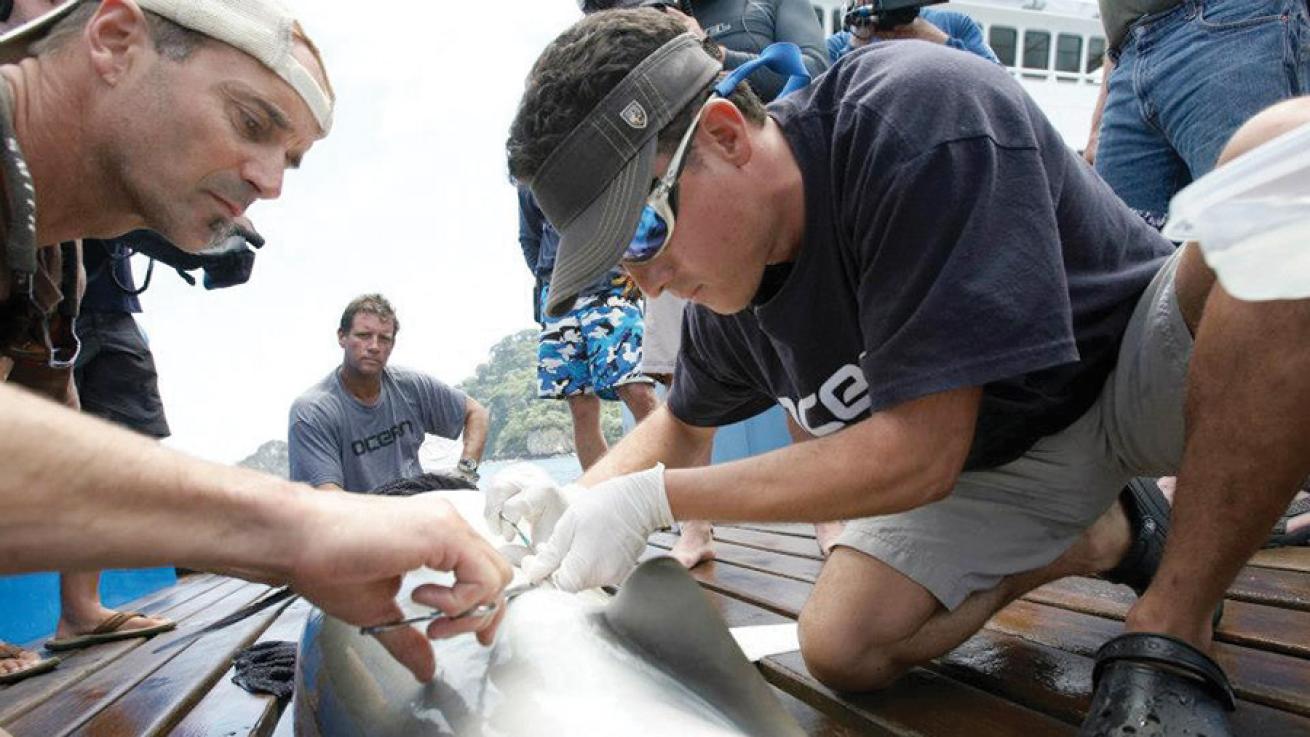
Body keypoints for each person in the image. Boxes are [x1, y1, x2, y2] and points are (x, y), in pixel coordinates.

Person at [493, 10, 1310, 735]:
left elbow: (921, 452)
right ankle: (1108, 533)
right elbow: (681, 426)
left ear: (726, 136)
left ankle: (1178, 614)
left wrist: (658, 497)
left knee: (1283, 156)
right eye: (618, 263)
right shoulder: (727, 297)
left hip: (1137, 362)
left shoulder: (913, 110)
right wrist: (582, 500)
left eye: (642, 232)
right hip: (1011, 457)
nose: (647, 282)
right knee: (843, 645)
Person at [0, 0, 509, 685]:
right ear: (116, 40)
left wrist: (299, 545)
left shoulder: (48, 260)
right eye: (250, 122)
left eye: (289, 162)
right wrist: (300, 528)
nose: (269, 184)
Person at [1083, 0, 1310, 222]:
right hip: (1128, 53)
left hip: (1230, 21)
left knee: (1259, 231)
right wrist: (1100, 113)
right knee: (1119, 251)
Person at [288, 294, 490, 492]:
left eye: (384, 339)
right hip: (356, 520)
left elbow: (476, 413)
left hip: (417, 506)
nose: (374, 346)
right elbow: (327, 500)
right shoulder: (312, 412)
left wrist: (465, 474)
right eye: (364, 336)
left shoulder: (410, 386)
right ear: (342, 337)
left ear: (392, 345)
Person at [517, 189, 659, 471]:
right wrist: (552, 278)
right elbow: (529, 237)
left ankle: (680, 498)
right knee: (580, 405)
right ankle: (601, 501)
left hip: (612, 288)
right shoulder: (530, 174)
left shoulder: (600, 149)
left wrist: (636, 262)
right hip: (559, 298)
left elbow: (639, 206)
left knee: (636, 389)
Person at [826, 3, 999, 64]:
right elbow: (818, 104)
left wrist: (941, 40)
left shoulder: (957, 25)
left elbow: (1000, 84)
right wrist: (857, 42)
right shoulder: (839, 45)